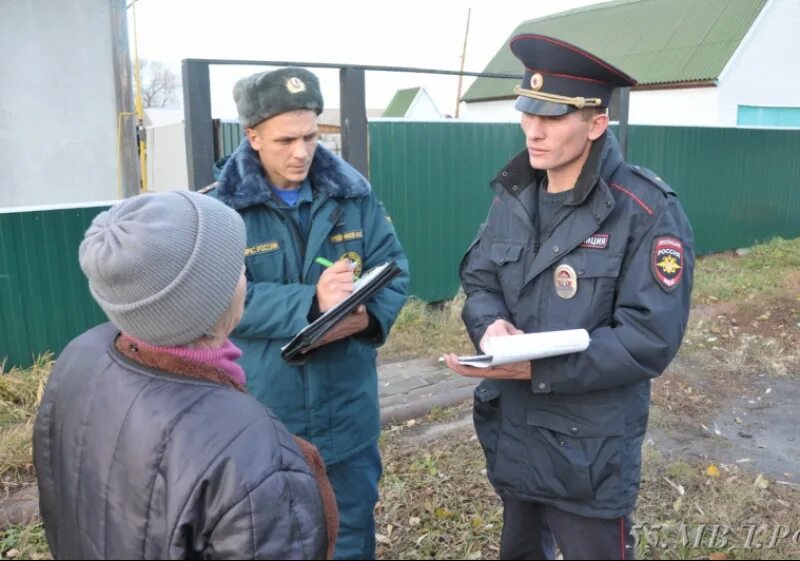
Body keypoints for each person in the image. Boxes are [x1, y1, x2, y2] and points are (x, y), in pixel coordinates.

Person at [444, 34, 694, 560]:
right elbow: (482, 280)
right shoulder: (514, 198)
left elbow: (649, 338)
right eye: (528, 114)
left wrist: (539, 369)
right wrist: (491, 328)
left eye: (553, 118)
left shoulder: (644, 212)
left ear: (596, 124)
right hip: (515, 436)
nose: (532, 130)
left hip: (588, 454)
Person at [33, 192, 337, 560]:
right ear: (209, 301)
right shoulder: (248, 446)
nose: (245, 276)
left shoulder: (80, 355)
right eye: (237, 267)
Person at [206, 67, 409, 560]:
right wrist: (312, 303)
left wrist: (367, 318)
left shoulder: (353, 198)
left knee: (351, 538)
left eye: (312, 136)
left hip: (347, 415)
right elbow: (219, 300)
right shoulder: (220, 212)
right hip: (266, 416)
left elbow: (395, 270)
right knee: (271, 541)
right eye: (286, 139)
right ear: (252, 136)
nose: (301, 152)